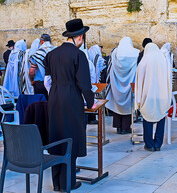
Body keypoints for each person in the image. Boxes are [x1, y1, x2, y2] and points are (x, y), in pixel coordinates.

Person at [44, 19, 95, 191]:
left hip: (54, 99)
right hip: (71, 99)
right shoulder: (78, 55)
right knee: (70, 139)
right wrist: (91, 102)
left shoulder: (51, 54)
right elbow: (84, 84)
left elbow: (48, 81)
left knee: (57, 138)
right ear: (80, 37)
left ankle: (57, 183)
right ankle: (68, 182)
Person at [135, 43, 172, 151]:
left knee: (147, 118)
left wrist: (138, 99)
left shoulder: (144, 61)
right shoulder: (164, 60)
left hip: (148, 95)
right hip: (162, 94)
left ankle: (149, 144)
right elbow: (169, 78)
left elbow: (139, 81)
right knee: (161, 117)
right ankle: (158, 144)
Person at [106, 37, 139, 134]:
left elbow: (109, 66)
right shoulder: (135, 53)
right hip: (129, 83)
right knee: (128, 103)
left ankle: (118, 127)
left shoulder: (115, 52)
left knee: (117, 103)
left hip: (116, 83)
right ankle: (126, 127)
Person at [28, 34, 55, 99]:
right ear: (50, 41)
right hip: (55, 83)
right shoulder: (56, 51)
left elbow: (32, 71)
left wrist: (31, 80)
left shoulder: (37, 54)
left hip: (40, 83)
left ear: (41, 42)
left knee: (40, 105)